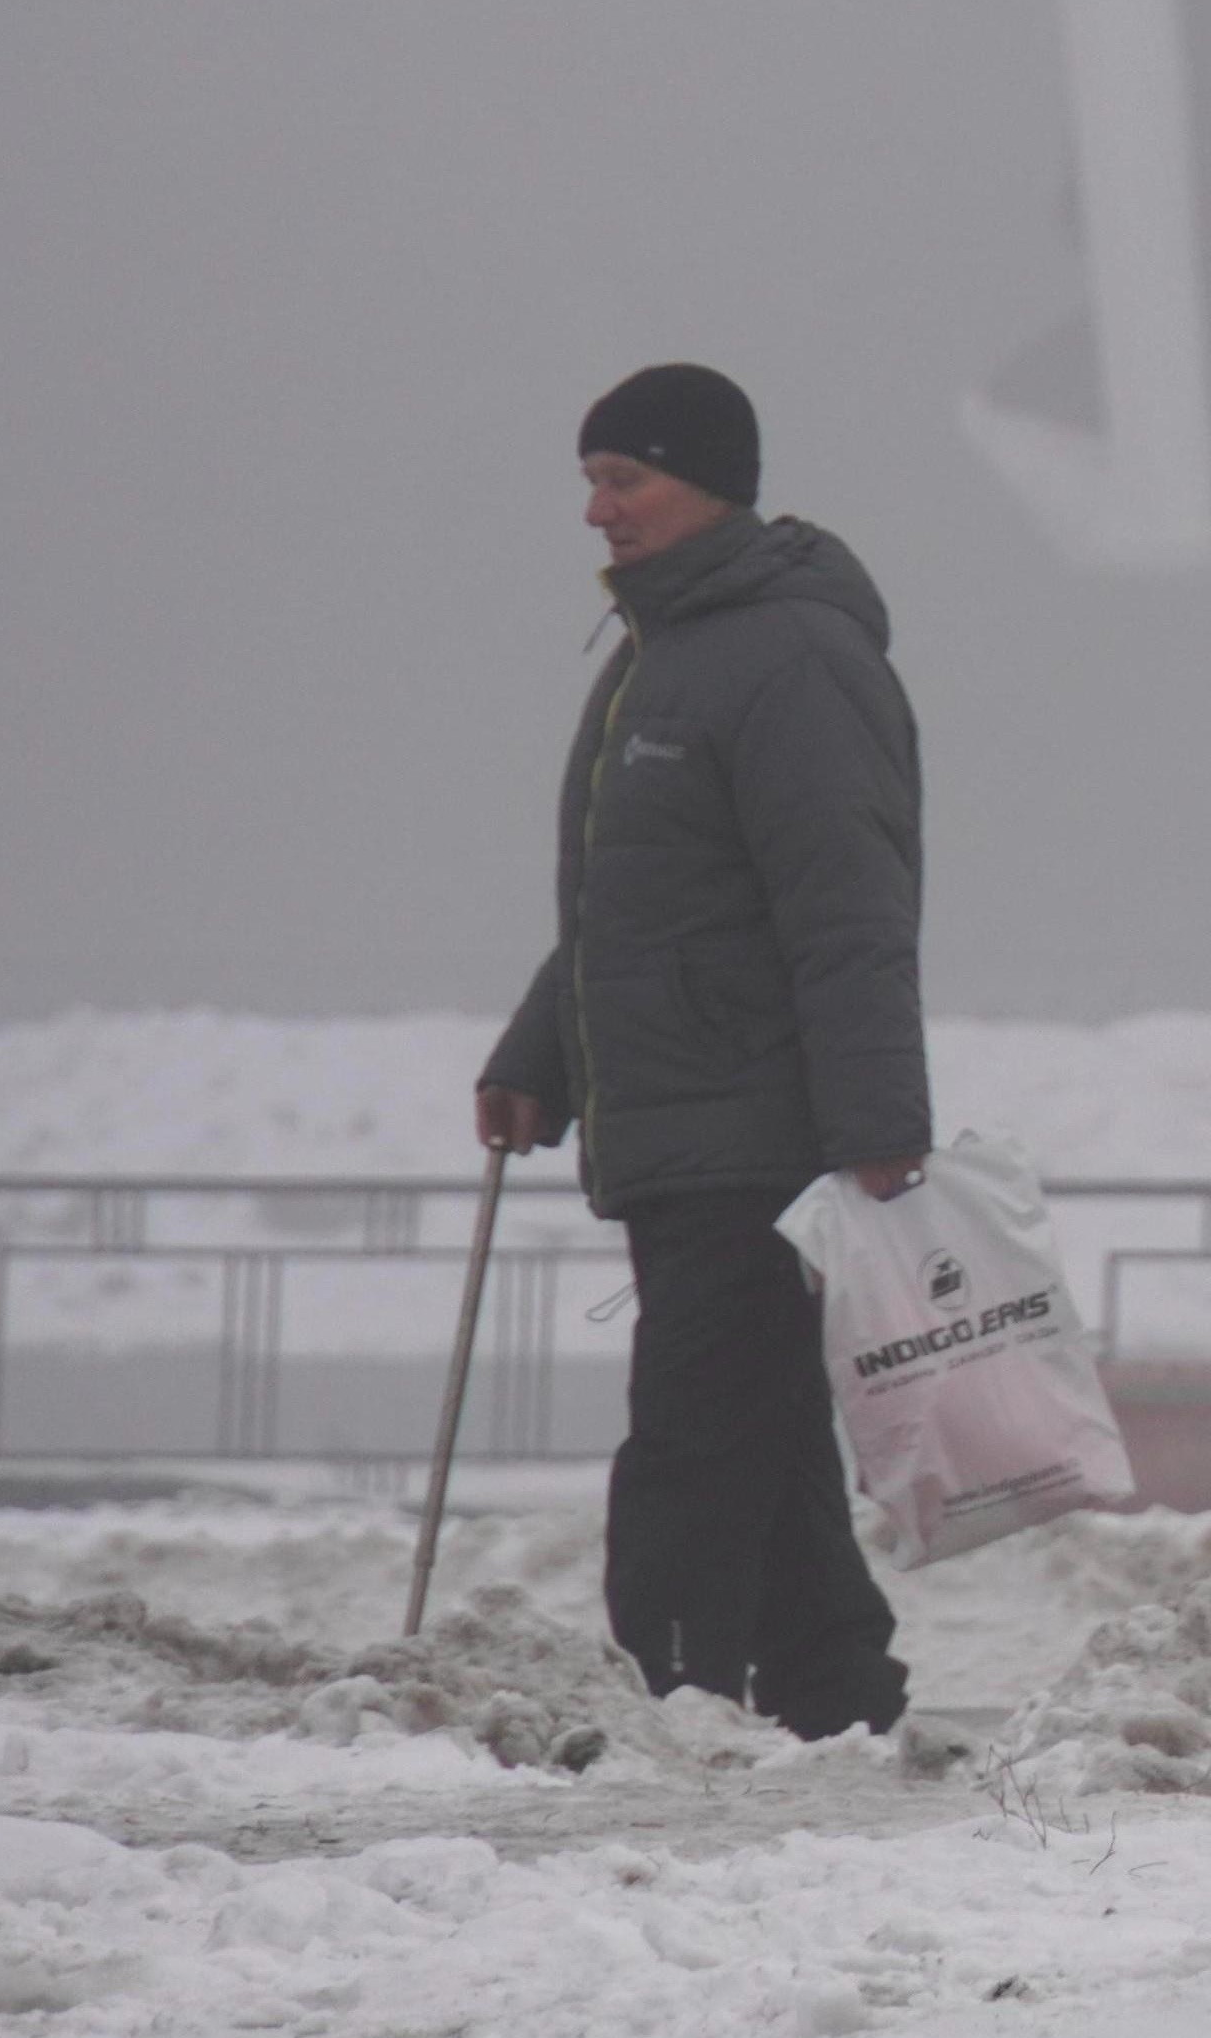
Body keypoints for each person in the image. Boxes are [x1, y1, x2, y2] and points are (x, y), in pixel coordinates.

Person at [471, 363, 925, 1740]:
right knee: (761, 1424)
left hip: (756, 1131)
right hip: (677, 1120)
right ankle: (836, 1691)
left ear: (711, 482)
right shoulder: (664, 654)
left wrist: (876, 1124)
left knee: (693, 1432)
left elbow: (850, 905)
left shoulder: (788, 658)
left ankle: (673, 1690)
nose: (598, 512)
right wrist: (537, 1054)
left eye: (626, 481)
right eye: (592, 483)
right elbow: (640, 906)